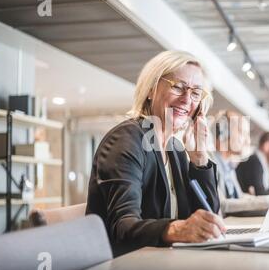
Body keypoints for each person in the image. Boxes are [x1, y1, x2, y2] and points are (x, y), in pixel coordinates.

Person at [86, 50, 226, 256]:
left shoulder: (176, 150)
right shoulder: (126, 140)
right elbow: (122, 227)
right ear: (151, 90)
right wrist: (177, 229)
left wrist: (199, 159)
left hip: (164, 263)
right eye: (178, 87)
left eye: (196, 92)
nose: (187, 99)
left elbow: (208, 221)